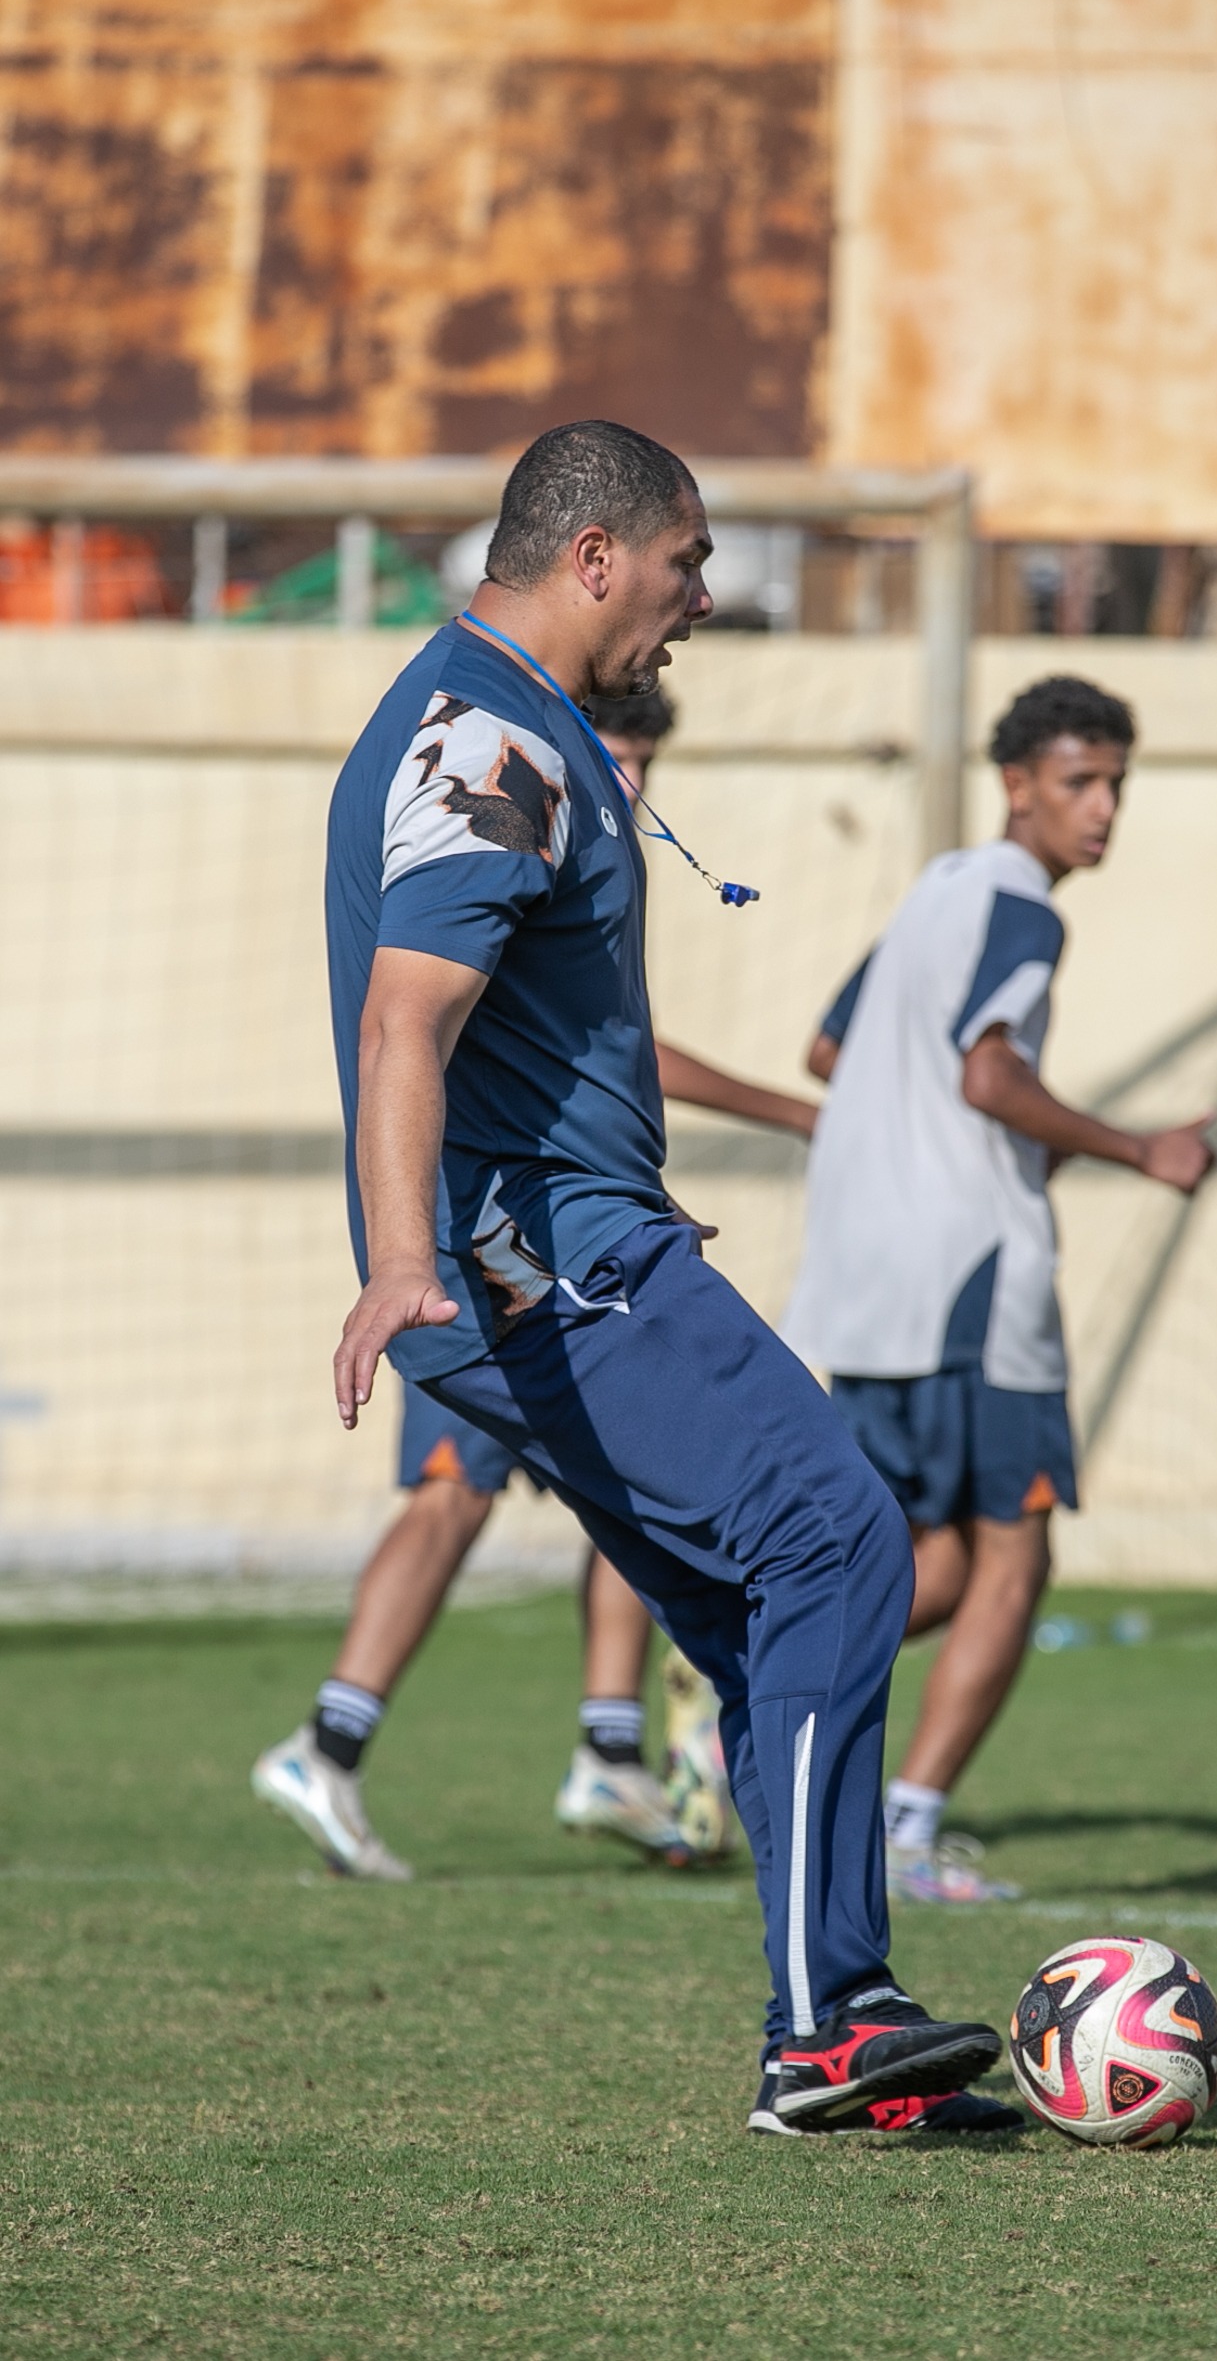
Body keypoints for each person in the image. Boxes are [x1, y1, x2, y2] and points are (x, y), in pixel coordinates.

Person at [314, 418, 1010, 2136]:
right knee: (841, 1537)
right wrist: (409, 1260)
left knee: (764, 1607)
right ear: (596, 553)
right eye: (691, 563)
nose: (704, 599)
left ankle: (842, 2039)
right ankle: (825, 2022)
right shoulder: (491, 738)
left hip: (571, 1241)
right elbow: (409, 1018)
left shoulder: (529, 724)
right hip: (541, 1256)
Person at [251, 689, 818, 1883]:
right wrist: (796, 1114)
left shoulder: (600, 849)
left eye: (648, 753)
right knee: (455, 1496)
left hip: (570, 1237)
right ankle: (330, 1741)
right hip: (486, 1251)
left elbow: (597, 1063)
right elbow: (426, 1027)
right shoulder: (509, 813)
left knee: (632, 1489)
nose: (629, 770)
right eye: (615, 747)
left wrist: (634, 1192)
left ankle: (608, 1746)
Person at [782, 674, 1217, 1903]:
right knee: (1015, 1557)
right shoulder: (1024, 907)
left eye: (1118, 783)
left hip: (865, 1272)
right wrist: (1145, 1150)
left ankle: (751, 1698)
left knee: (932, 1561)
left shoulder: (938, 891)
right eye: (1081, 781)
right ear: (1016, 785)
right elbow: (986, 1077)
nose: (1105, 808)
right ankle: (906, 1830)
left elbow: (830, 1048)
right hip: (971, 1271)